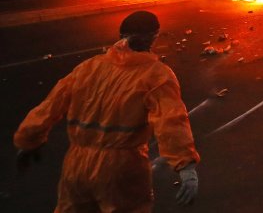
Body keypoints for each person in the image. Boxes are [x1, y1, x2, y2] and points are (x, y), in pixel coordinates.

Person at [14, 11, 200, 212]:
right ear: (153, 37)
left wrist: (28, 140)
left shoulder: (88, 67)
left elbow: (49, 106)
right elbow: (171, 122)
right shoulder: (157, 76)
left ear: (120, 36)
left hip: (75, 167)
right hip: (121, 169)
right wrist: (185, 166)